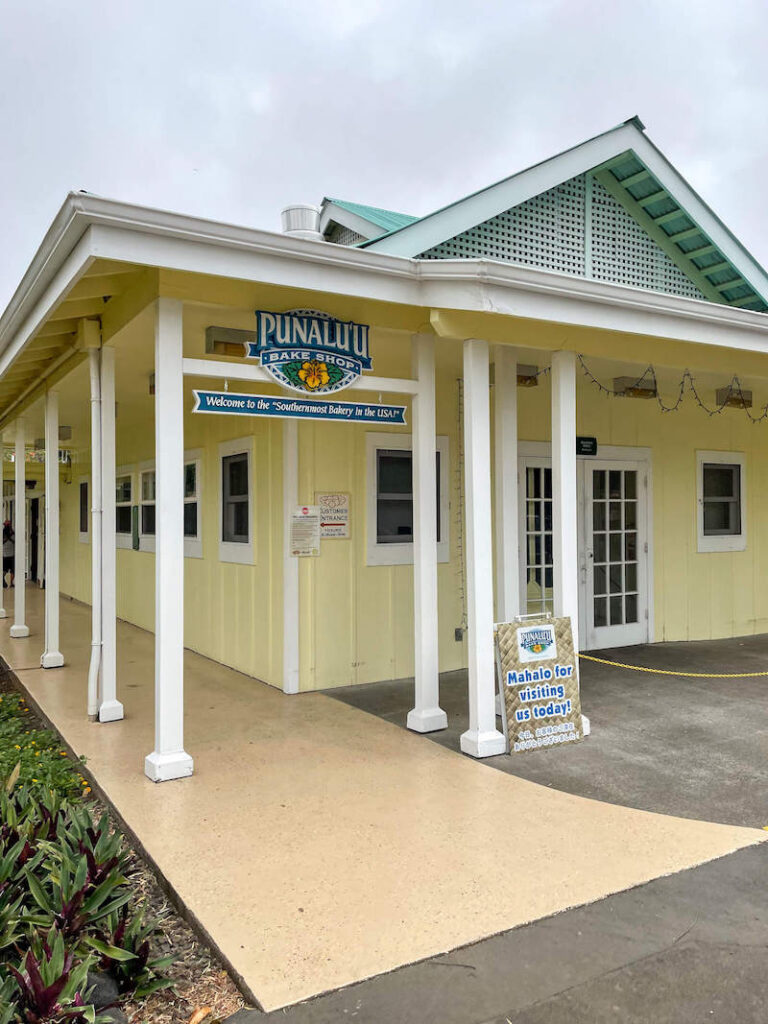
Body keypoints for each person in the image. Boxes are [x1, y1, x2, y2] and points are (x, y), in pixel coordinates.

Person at [3, 521, 14, 588]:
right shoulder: (12, 533)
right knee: (11, 570)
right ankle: (10, 583)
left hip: (6, 554)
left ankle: (11, 583)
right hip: (9, 554)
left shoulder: (3, 533)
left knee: (7, 570)